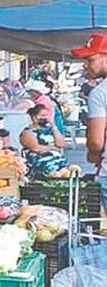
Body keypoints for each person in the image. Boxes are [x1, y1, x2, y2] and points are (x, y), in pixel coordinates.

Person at [74, 34, 107, 214]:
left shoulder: (99, 93)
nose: (86, 65)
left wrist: (93, 155)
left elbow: (95, 141)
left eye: (90, 59)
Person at [20, 104, 68, 177]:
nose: (45, 117)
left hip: (56, 160)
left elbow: (61, 144)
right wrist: (53, 148)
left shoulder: (50, 130)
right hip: (40, 160)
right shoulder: (28, 132)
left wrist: (53, 126)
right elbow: (36, 148)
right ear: (34, 117)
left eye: (46, 115)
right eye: (42, 115)